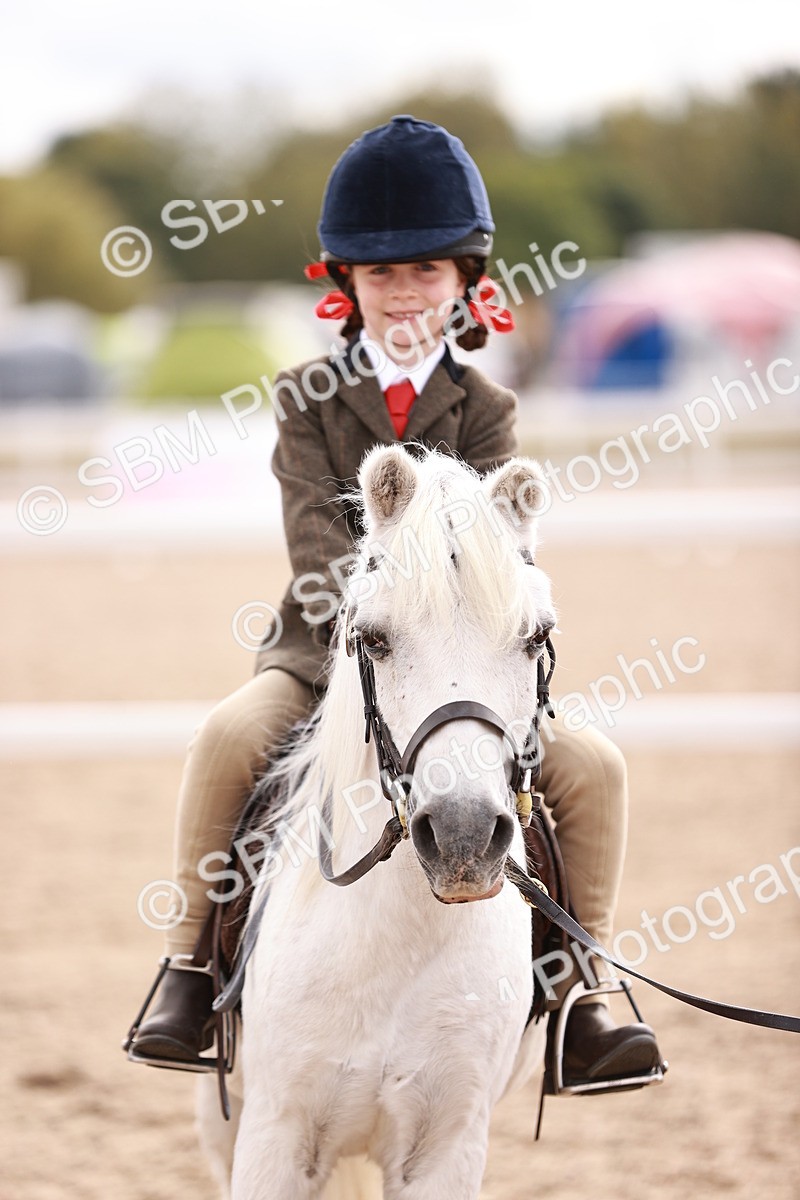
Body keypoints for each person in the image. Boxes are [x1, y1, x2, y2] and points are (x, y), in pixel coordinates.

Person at [128, 115, 661, 1088]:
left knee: (594, 767)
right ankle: (187, 970)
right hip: (325, 650)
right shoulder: (306, 397)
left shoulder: (489, 412)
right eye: (382, 273)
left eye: (425, 270)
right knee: (225, 736)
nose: (404, 291)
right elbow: (316, 544)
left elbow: (496, 555)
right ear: (347, 284)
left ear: (464, 282)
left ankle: (584, 998)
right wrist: (390, 614)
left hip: (461, 665)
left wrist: (447, 630)